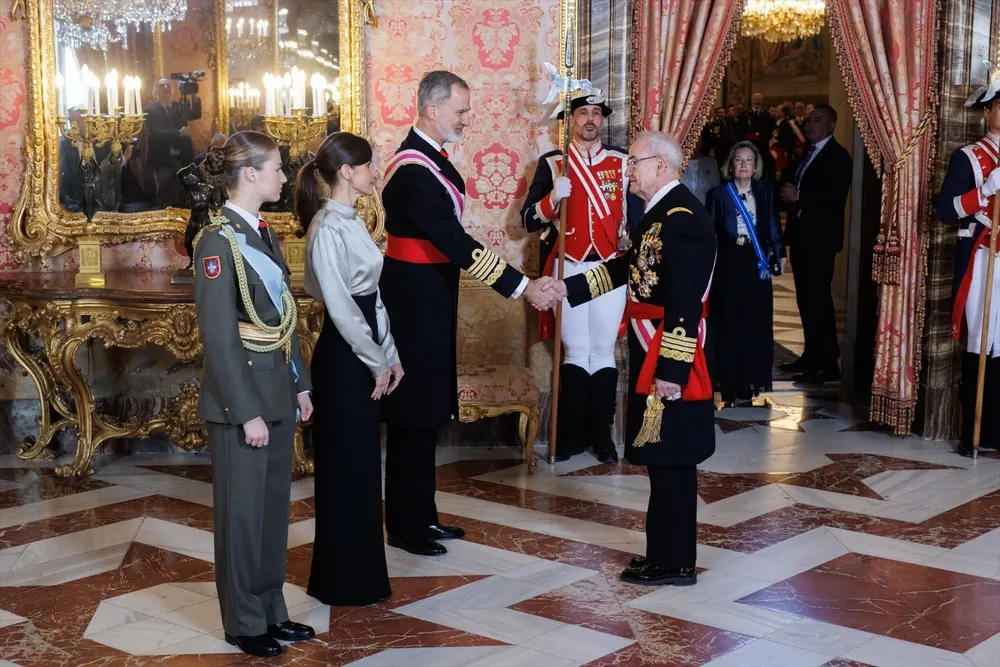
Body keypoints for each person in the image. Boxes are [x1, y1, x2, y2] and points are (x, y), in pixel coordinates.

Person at [379, 70, 557, 557]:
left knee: (428, 410)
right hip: (412, 303)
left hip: (431, 297)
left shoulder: (430, 159)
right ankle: (405, 525)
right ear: (432, 110)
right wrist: (524, 287)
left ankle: (424, 515)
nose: (467, 118)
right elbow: (457, 243)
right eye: (460, 110)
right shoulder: (411, 170)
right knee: (412, 415)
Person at [550, 131, 717, 586]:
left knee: (674, 461)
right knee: (663, 462)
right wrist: (568, 288)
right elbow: (627, 267)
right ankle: (662, 553)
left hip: (670, 354)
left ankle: (676, 563)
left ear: (661, 165)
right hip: (654, 348)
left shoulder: (681, 216)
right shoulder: (659, 211)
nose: (628, 171)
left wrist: (672, 371)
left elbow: (684, 301)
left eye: (635, 163)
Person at [194, 131, 315, 658]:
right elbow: (220, 338)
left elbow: (282, 319)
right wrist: (246, 414)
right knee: (241, 518)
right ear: (249, 174)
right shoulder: (217, 242)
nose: (284, 177)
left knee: (270, 514)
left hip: (277, 390)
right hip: (241, 402)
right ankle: (243, 623)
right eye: (277, 168)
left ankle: (271, 611)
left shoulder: (262, 232)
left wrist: (300, 383)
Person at [299, 132, 402, 605]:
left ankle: (364, 577)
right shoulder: (326, 227)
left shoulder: (355, 220)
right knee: (344, 469)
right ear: (346, 172)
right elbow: (340, 307)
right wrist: (375, 361)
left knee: (363, 469)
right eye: (367, 165)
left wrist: (392, 354)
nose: (374, 171)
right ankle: (339, 581)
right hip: (343, 360)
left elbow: (373, 296)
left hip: (365, 353)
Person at [520, 88, 642, 463]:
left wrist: (630, 232)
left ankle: (601, 436)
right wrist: (552, 198)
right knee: (574, 351)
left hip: (609, 270)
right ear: (570, 119)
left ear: (603, 119)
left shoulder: (622, 162)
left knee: (603, 350)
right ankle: (570, 434)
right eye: (582, 113)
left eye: (596, 113)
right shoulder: (555, 163)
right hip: (568, 267)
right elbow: (527, 220)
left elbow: (640, 213)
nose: (590, 119)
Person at [940, 62, 1000, 457]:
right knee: (981, 341)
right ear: (987, 112)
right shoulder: (969, 157)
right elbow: (946, 210)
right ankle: (974, 432)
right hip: (983, 256)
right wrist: (986, 191)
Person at [706, 141, 784, 406]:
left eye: (748, 160)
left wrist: (779, 253)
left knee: (754, 321)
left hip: (755, 261)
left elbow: (773, 224)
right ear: (731, 165)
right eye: (738, 160)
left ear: (756, 166)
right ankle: (727, 383)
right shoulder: (718, 194)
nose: (743, 165)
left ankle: (749, 381)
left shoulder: (765, 191)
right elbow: (711, 235)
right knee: (728, 322)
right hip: (728, 263)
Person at [780, 104, 853, 383]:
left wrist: (799, 195)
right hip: (801, 236)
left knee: (819, 300)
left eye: (817, 121)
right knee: (805, 300)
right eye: (808, 121)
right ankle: (811, 356)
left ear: (831, 125)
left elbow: (832, 197)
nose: (810, 125)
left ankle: (827, 362)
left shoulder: (838, 157)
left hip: (821, 239)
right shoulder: (808, 153)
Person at [145, 77, 202, 207]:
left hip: (182, 159)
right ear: (156, 91)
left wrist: (193, 95)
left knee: (183, 195)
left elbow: (196, 114)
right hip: (162, 160)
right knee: (164, 195)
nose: (166, 88)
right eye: (162, 86)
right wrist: (178, 133)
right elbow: (155, 133)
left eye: (168, 86)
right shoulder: (149, 110)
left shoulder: (179, 107)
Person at [680, 135, 721, 205]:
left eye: (698, 137)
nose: (694, 141)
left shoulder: (711, 164)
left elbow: (718, 193)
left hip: (706, 213)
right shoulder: (676, 164)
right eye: (689, 137)